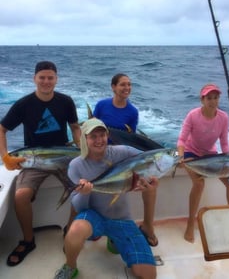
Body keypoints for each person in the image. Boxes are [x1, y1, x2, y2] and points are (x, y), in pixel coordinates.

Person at [54, 118, 157, 279]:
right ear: (84, 138)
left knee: (148, 274)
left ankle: (116, 239)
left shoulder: (123, 152)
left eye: (102, 135)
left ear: (107, 136)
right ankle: (70, 266)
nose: (98, 140)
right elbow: (79, 207)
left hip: (122, 218)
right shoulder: (76, 165)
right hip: (94, 216)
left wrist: (150, 177)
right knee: (75, 230)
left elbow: (147, 160)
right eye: (93, 136)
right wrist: (84, 193)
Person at [0, 61, 81, 266]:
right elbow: (1, 129)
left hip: (63, 156)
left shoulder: (66, 101)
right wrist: (5, 157)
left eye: (50, 77)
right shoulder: (24, 104)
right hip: (33, 159)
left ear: (56, 79)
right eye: (42, 77)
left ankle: (70, 231)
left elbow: (75, 128)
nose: (46, 81)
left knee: (81, 190)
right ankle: (28, 240)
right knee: (20, 196)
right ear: (34, 79)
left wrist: (83, 153)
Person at [93, 73, 158, 246]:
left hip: (123, 154)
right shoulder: (101, 105)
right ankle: (98, 225)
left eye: (129, 85)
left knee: (151, 184)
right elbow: (91, 128)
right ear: (113, 87)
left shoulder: (132, 112)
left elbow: (131, 138)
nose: (127, 88)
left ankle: (148, 226)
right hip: (102, 152)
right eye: (122, 84)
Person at [177, 83, 229, 243]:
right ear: (202, 99)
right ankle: (191, 223)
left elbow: (224, 142)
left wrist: (226, 160)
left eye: (216, 97)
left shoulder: (223, 117)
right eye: (209, 98)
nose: (213, 101)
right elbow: (182, 139)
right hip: (191, 152)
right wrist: (182, 157)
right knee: (199, 184)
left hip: (210, 154)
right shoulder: (193, 115)